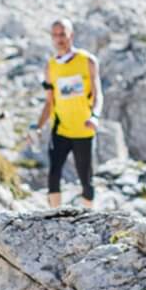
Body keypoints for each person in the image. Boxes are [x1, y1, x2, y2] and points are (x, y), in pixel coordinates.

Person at [34, 18, 102, 208]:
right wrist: (37, 126)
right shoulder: (50, 67)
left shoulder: (87, 61)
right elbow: (49, 102)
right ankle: (54, 218)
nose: (59, 39)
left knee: (86, 181)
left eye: (62, 34)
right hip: (60, 130)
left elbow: (98, 94)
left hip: (84, 130)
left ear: (71, 35)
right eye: (55, 35)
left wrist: (94, 116)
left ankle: (89, 219)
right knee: (53, 176)